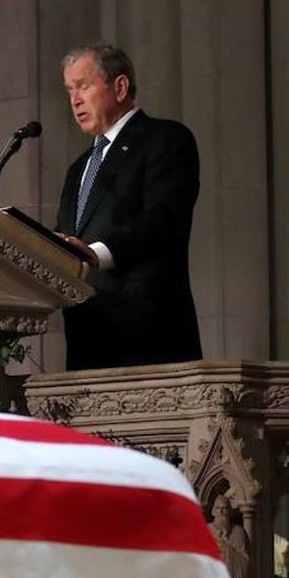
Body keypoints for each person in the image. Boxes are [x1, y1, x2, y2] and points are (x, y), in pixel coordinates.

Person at [55, 43, 202, 371]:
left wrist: (94, 253)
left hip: (148, 338)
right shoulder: (79, 168)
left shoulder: (165, 139)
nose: (75, 100)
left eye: (84, 86)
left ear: (119, 86)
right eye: (69, 90)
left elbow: (163, 218)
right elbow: (65, 241)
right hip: (85, 337)